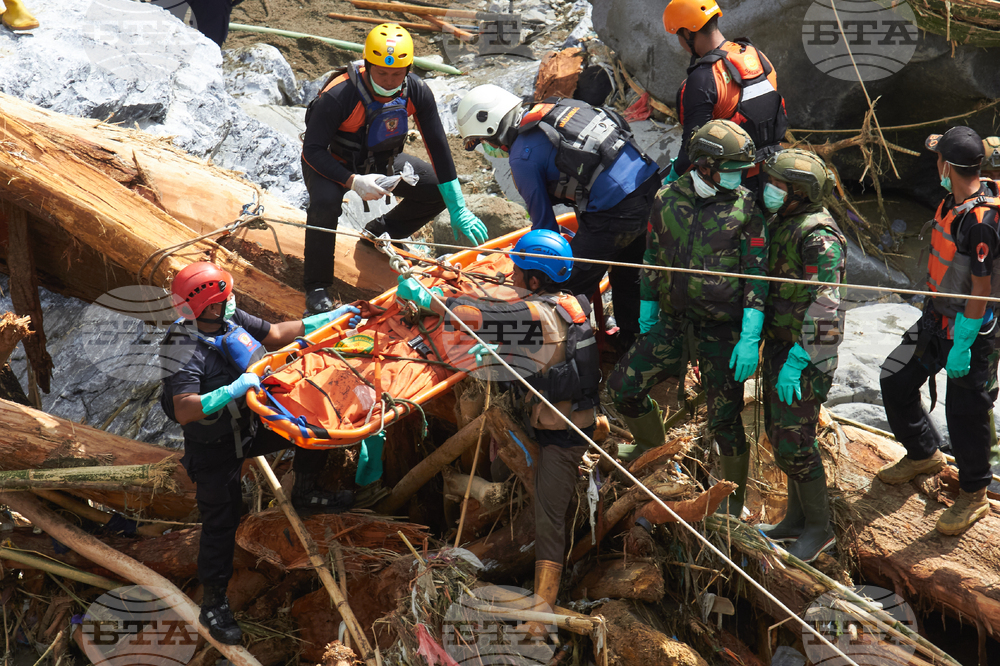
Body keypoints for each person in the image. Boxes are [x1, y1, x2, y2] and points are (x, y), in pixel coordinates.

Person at [393, 230, 600, 631]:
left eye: (519, 273)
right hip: (547, 415)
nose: (513, 278)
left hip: (563, 434)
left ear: (536, 281)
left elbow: (467, 312)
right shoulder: (571, 303)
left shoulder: (535, 314)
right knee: (505, 470)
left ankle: (542, 608)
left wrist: (422, 296)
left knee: (548, 515)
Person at [161, 262, 361, 644]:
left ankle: (305, 490)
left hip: (249, 427)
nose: (233, 300)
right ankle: (214, 604)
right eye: (226, 297)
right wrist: (235, 388)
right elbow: (185, 408)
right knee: (222, 522)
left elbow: (274, 334)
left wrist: (327, 319)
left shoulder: (226, 322)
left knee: (313, 424)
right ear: (208, 306)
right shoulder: (183, 347)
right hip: (214, 448)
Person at [607, 120, 768, 519]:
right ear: (705, 165)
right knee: (623, 386)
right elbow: (652, 258)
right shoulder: (666, 198)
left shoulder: (747, 208)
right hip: (673, 322)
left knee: (725, 422)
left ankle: (731, 505)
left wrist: (750, 336)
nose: (738, 176)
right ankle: (656, 455)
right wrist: (647, 309)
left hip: (723, 330)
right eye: (731, 168)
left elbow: (757, 278)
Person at [301, 23, 487, 315]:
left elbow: (438, 147)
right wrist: (353, 181)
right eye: (382, 72)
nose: (389, 81)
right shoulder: (340, 95)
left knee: (436, 190)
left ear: (409, 69)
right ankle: (316, 285)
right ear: (368, 66)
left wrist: (458, 206)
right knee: (325, 202)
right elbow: (311, 150)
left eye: (397, 73)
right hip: (331, 163)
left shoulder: (416, 91)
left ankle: (380, 232)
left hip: (382, 162)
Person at [455, 84, 660, 348]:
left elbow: (545, 229)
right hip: (649, 187)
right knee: (626, 270)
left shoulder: (522, 157)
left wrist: (531, 275)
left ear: (493, 128)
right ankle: (630, 345)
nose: (488, 148)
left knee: (566, 283)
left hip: (616, 210)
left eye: (483, 141)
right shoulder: (559, 107)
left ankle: (573, 355)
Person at [879, 127, 1000, 536]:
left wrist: (963, 344)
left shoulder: (982, 222)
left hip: (972, 330)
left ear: (947, 165)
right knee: (895, 377)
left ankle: (973, 494)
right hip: (936, 318)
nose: (935, 165)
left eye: (938, 159)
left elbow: (981, 289)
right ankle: (923, 453)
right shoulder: (953, 200)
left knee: (964, 411)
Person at [752, 149, 845, 563]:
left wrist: (800, 360)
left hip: (806, 356)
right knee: (780, 435)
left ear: (801, 193)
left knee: (796, 443)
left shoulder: (819, 238)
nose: (769, 190)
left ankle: (819, 530)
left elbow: (827, 309)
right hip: (779, 344)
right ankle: (794, 519)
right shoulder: (782, 220)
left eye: (779, 185)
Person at [661, 0, 786, 198]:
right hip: (773, 177)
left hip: (731, 183)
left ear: (687, 33)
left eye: (678, 34)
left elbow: (691, 150)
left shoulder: (703, 78)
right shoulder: (756, 55)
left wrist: (671, 179)